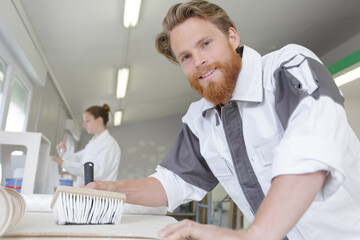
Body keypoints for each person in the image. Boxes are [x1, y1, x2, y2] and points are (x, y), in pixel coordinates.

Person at [87, 1, 360, 239]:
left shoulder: (286, 67)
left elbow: (312, 147)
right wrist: (111, 189)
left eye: (205, 44)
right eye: (186, 57)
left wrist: (253, 235)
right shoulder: (199, 119)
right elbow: (172, 182)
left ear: (232, 37)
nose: (199, 61)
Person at [52, 104, 121, 187]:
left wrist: (64, 163)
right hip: (87, 193)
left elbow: (96, 172)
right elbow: (77, 159)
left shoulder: (109, 145)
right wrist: (65, 152)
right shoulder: (93, 143)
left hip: (98, 197)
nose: (84, 125)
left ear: (99, 120)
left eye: (87, 121)